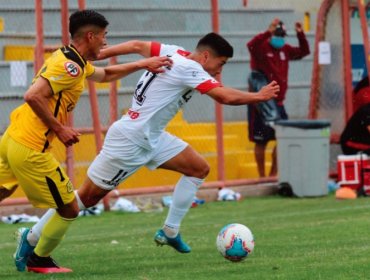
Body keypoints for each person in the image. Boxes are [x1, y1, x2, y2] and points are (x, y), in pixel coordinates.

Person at [13, 33, 280, 271]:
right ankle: (33, 237)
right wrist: (259, 96)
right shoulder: (190, 67)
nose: (219, 72)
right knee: (84, 199)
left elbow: (137, 45)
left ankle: (170, 230)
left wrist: (101, 53)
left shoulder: (173, 51)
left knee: (198, 168)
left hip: (152, 137)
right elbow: (224, 96)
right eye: (220, 65)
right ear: (207, 56)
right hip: (130, 141)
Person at [0, 9, 172, 274]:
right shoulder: (69, 66)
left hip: (12, 137)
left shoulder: (72, 59)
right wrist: (59, 129)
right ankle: (39, 258)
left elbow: (105, 75)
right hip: (30, 147)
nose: (105, 42)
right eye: (103, 36)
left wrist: (142, 64)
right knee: (69, 208)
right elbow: (32, 95)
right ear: (90, 36)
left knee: (2, 191)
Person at [246, 18, 310, 177]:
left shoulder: (285, 50)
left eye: (282, 34)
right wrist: (269, 31)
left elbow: (304, 51)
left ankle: (273, 173)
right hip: (261, 104)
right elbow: (250, 45)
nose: (279, 37)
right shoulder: (261, 48)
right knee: (261, 140)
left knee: (283, 137)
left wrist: (300, 34)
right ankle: (262, 176)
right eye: (277, 34)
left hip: (279, 103)